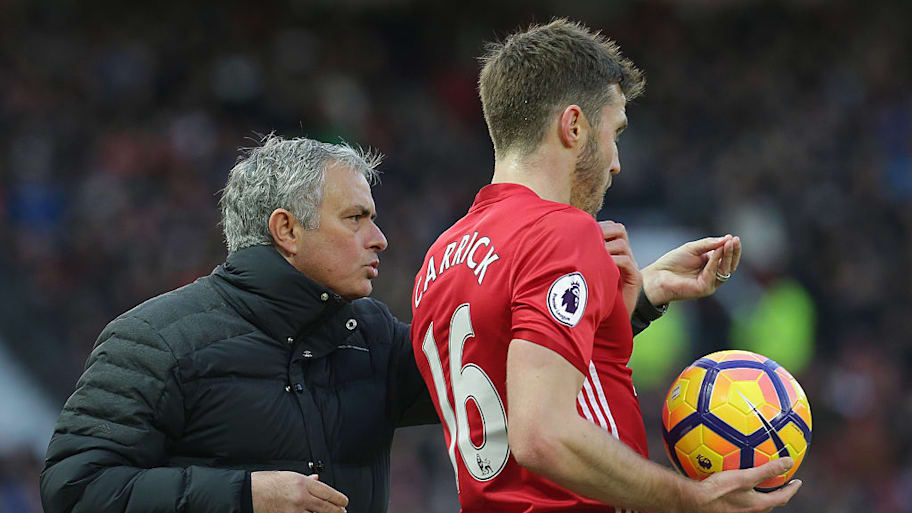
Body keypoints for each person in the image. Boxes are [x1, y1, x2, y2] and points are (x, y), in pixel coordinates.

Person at [409, 18, 798, 513]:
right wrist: (686, 498)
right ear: (573, 126)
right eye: (615, 133)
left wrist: (636, 300)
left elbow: (516, 371)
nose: (616, 162)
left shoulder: (440, 259)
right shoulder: (562, 231)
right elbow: (542, 434)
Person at [39, 136, 438, 513]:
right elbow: (76, 488)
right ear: (287, 230)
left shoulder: (372, 336)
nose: (379, 238)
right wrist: (244, 495)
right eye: (355, 218)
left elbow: (479, 367)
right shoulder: (157, 340)